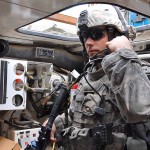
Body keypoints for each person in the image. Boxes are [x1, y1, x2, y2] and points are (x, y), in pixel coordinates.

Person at [45, 4, 150, 150]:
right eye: (84, 36)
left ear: (116, 35)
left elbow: (141, 111)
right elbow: (79, 116)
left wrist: (124, 54)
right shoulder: (86, 76)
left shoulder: (139, 73)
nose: (88, 42)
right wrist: (57, 123)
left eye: (96, 34)